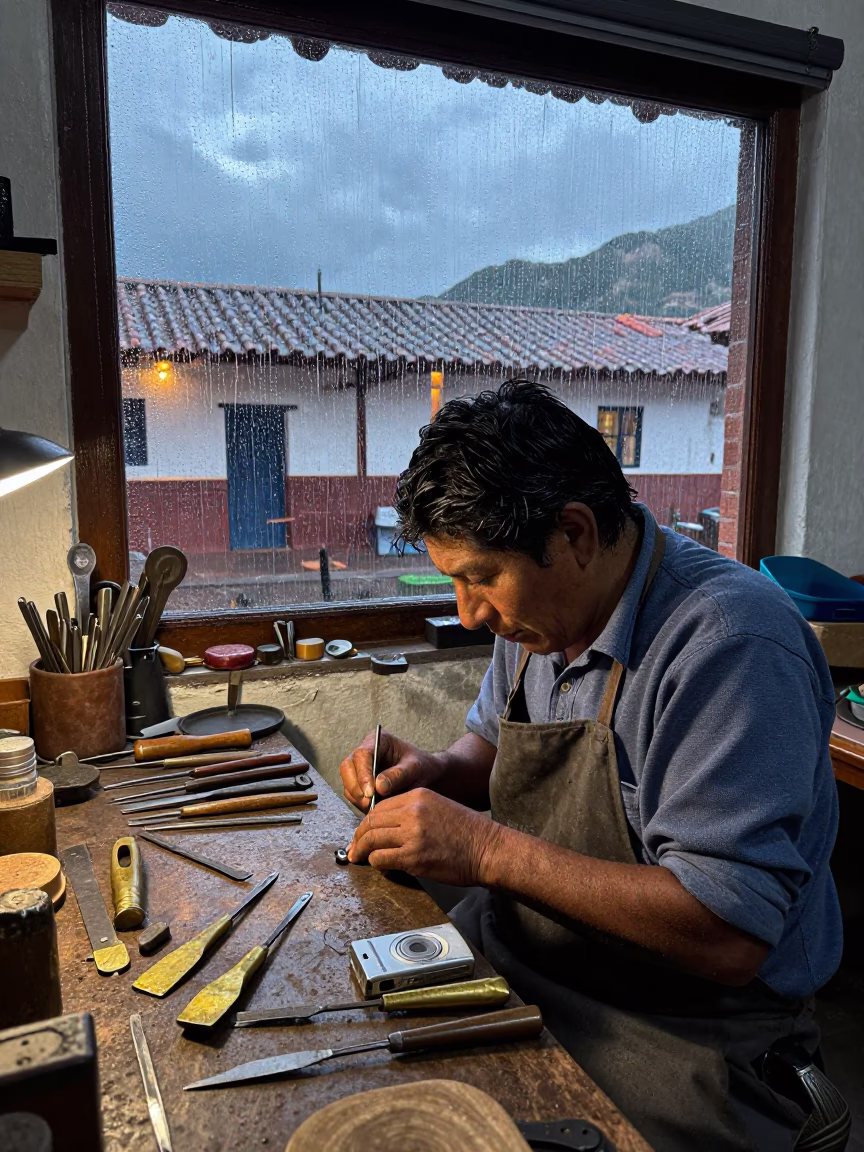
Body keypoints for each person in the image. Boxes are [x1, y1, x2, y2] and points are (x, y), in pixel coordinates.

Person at [340, 380, 843, 1152]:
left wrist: (481, 848)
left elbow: (729, 935)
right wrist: (436, 770)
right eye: (453, 579)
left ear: (574, 533)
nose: (468, 612)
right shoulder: (541, 609)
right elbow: (498, 747)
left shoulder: (730, 646)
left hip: (679, 1032)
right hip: (527, 957)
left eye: (478, 577)